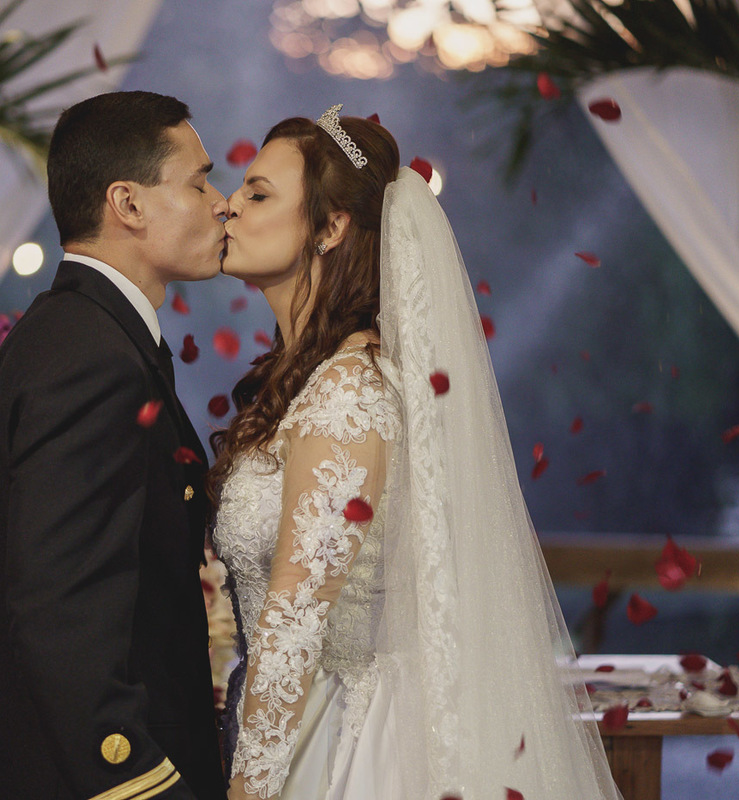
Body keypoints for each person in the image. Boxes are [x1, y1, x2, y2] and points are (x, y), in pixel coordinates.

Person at [208, 106, 624, 800]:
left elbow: (295, 623)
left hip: (340, 739)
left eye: (257, 193)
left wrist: (249, 791)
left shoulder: (348, 393)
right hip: (299, 719)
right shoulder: (307, 381)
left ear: (331, 228)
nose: (228, 205)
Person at [0, 91, 229, 800]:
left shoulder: (86, 333)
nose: (221, 204)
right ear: (128, 203)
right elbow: (61, 617)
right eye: (199, 182)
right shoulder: (89, 356)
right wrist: (143, 784)